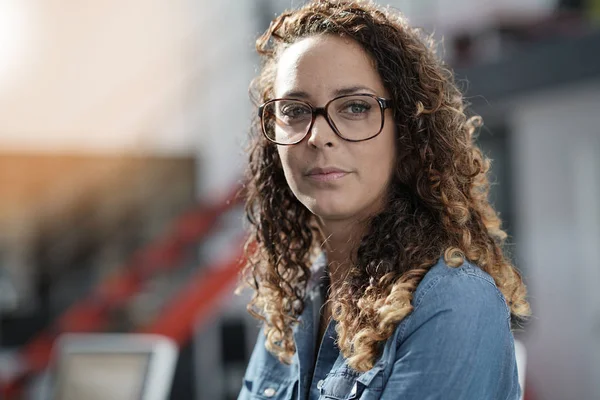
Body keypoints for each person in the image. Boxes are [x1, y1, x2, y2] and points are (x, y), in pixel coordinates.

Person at [234, 1, 531, 399]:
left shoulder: (453, 301)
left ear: (406, 131)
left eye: (355, 107)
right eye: (294, 109)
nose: (318, 135)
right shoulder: (297, 306)